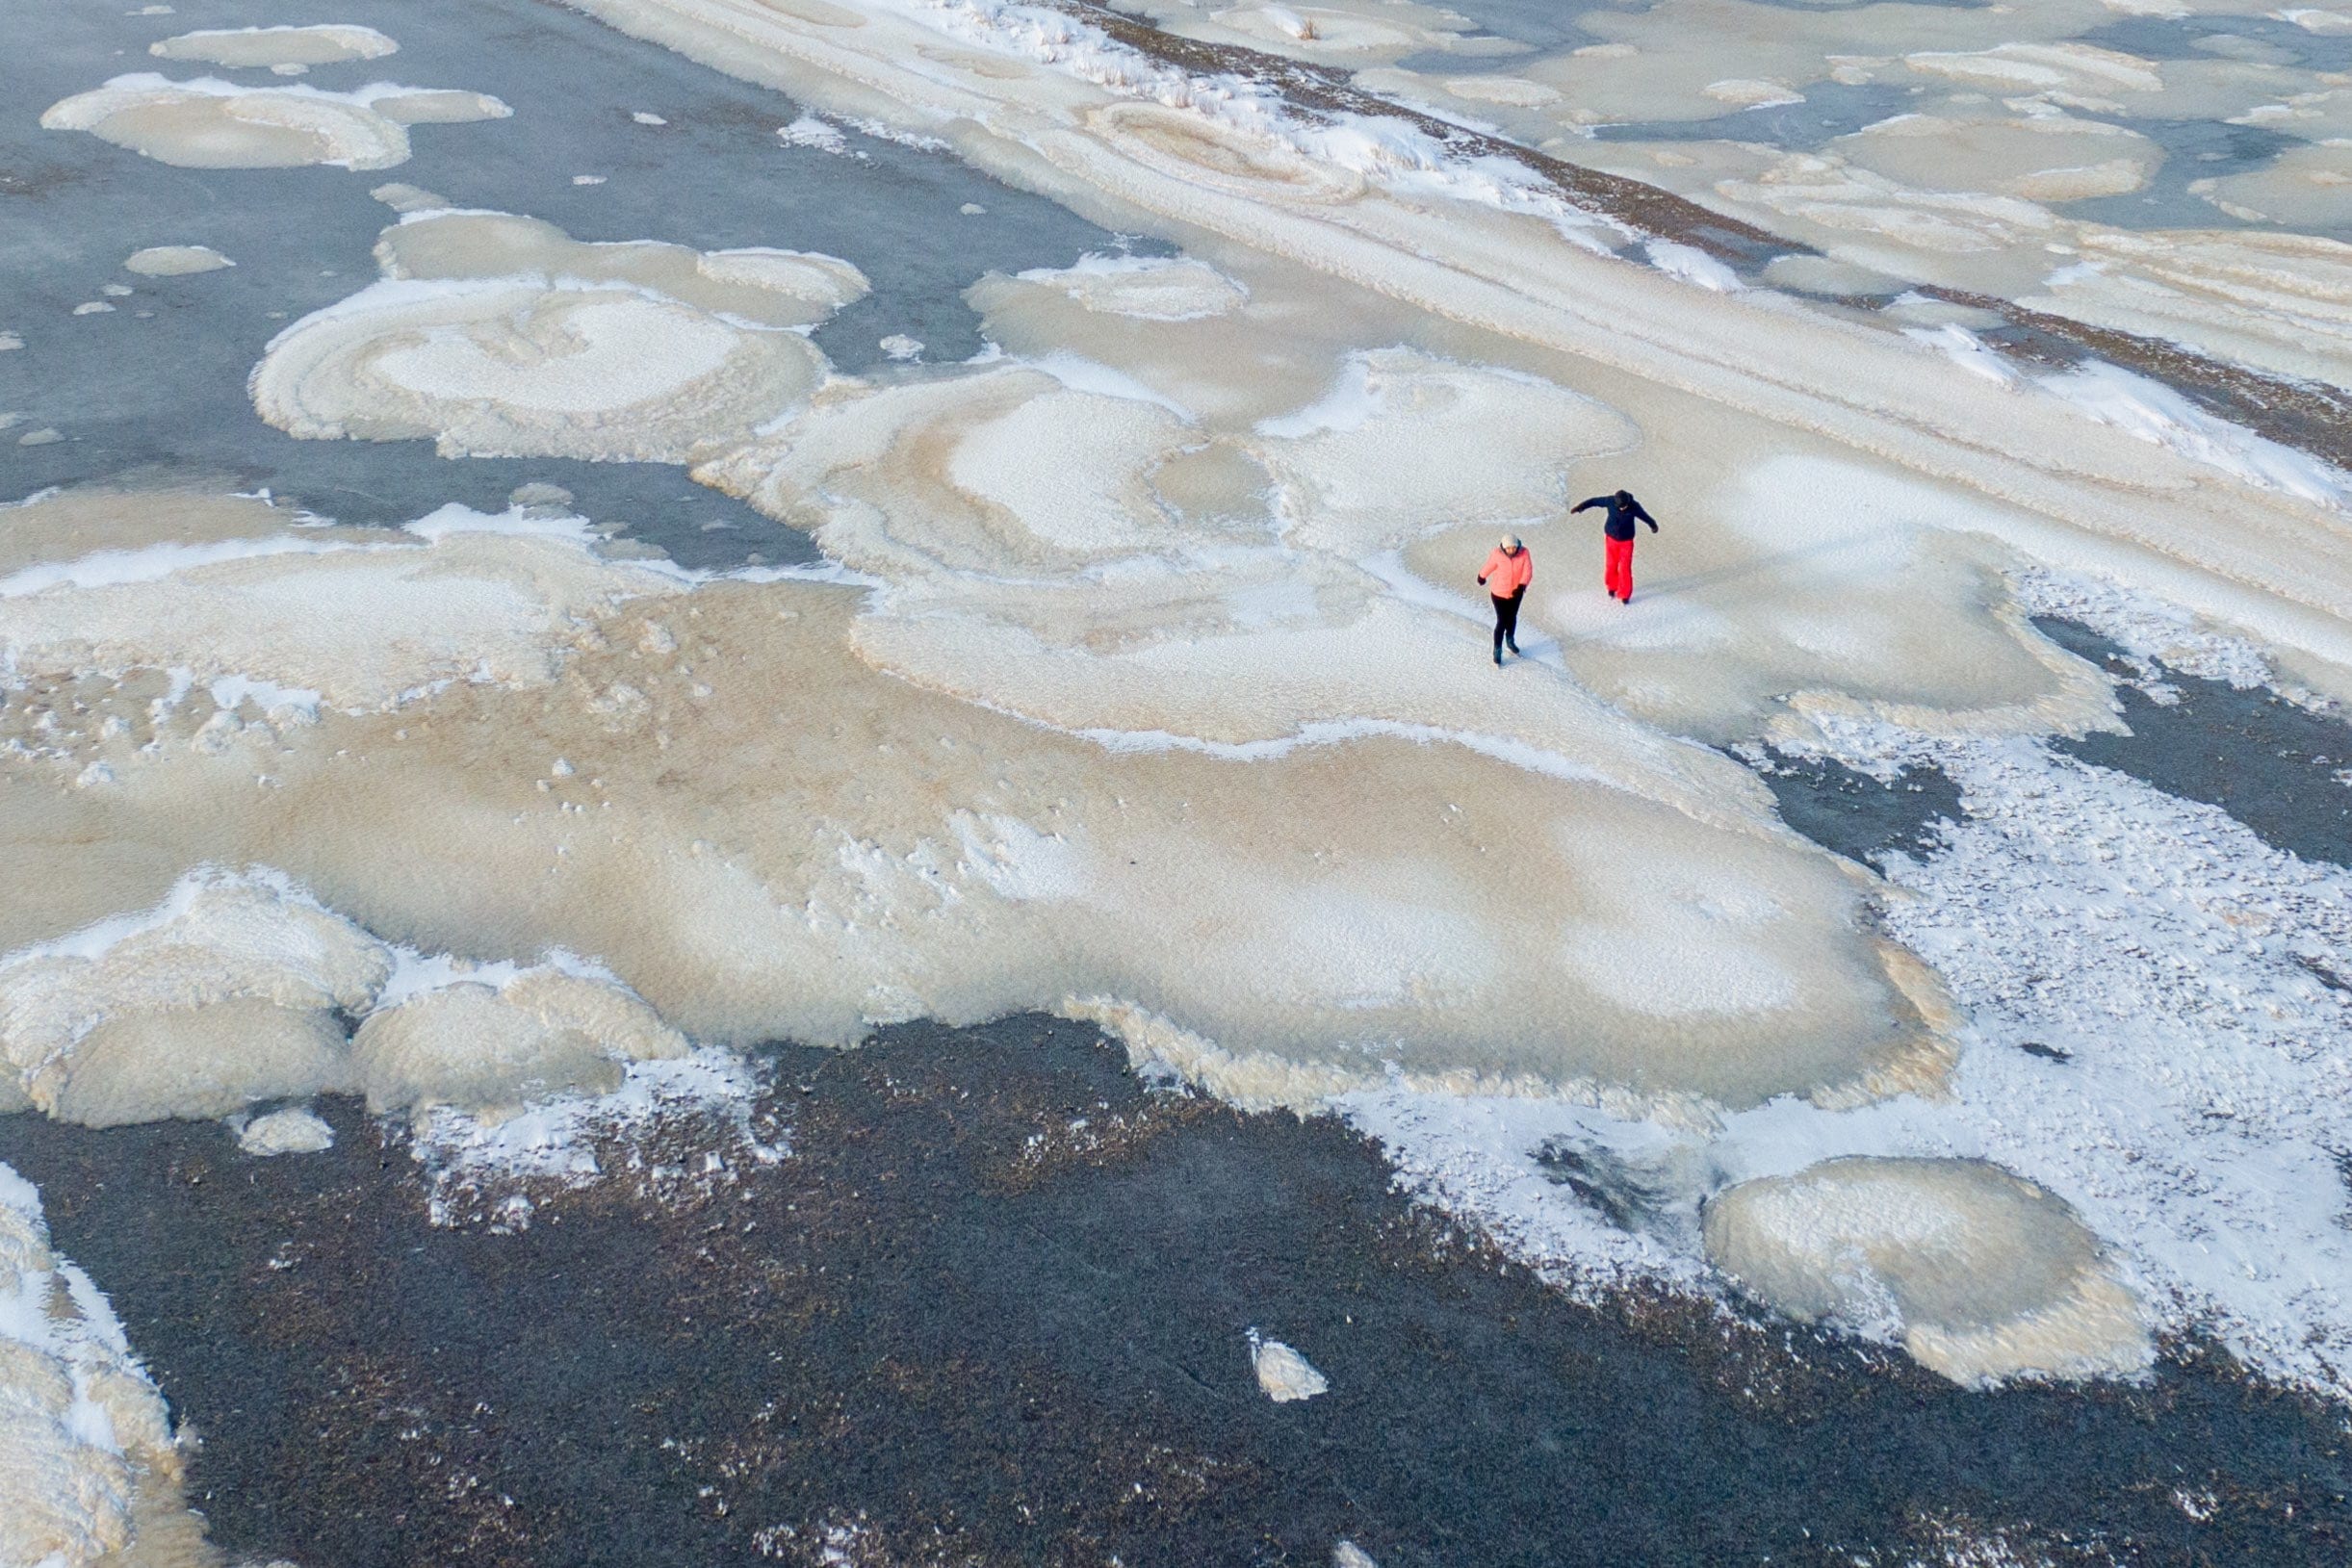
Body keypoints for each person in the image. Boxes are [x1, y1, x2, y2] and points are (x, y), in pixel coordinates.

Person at [1572, 488, 1659, 604]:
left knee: (1625, 568)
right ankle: (1612, 587)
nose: (1623, 509)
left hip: (1626, 542)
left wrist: (1652, 525)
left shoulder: (1634, 506)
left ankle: (1625, 594)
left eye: (1624, 507)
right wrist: (1580, 507)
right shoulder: (1610, 501)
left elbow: (1644, 516)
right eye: (1620, 507)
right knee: (1611, 564)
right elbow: (1594, 501)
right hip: (1611, 539)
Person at [1477, 532, 1532, 665]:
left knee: (1512, 618)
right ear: (1503, 547)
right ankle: (1497, 649)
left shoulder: (1524, 553)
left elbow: (1528, 571)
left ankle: (1510, 640)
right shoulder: (1497, 554)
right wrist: (1482, 576)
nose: (1511, 550)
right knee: (1502, 621)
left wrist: (1522, 585)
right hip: (1498, 594)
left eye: (1513, 547)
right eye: (1508, 548)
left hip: (1515, 594)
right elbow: (1489, 565)